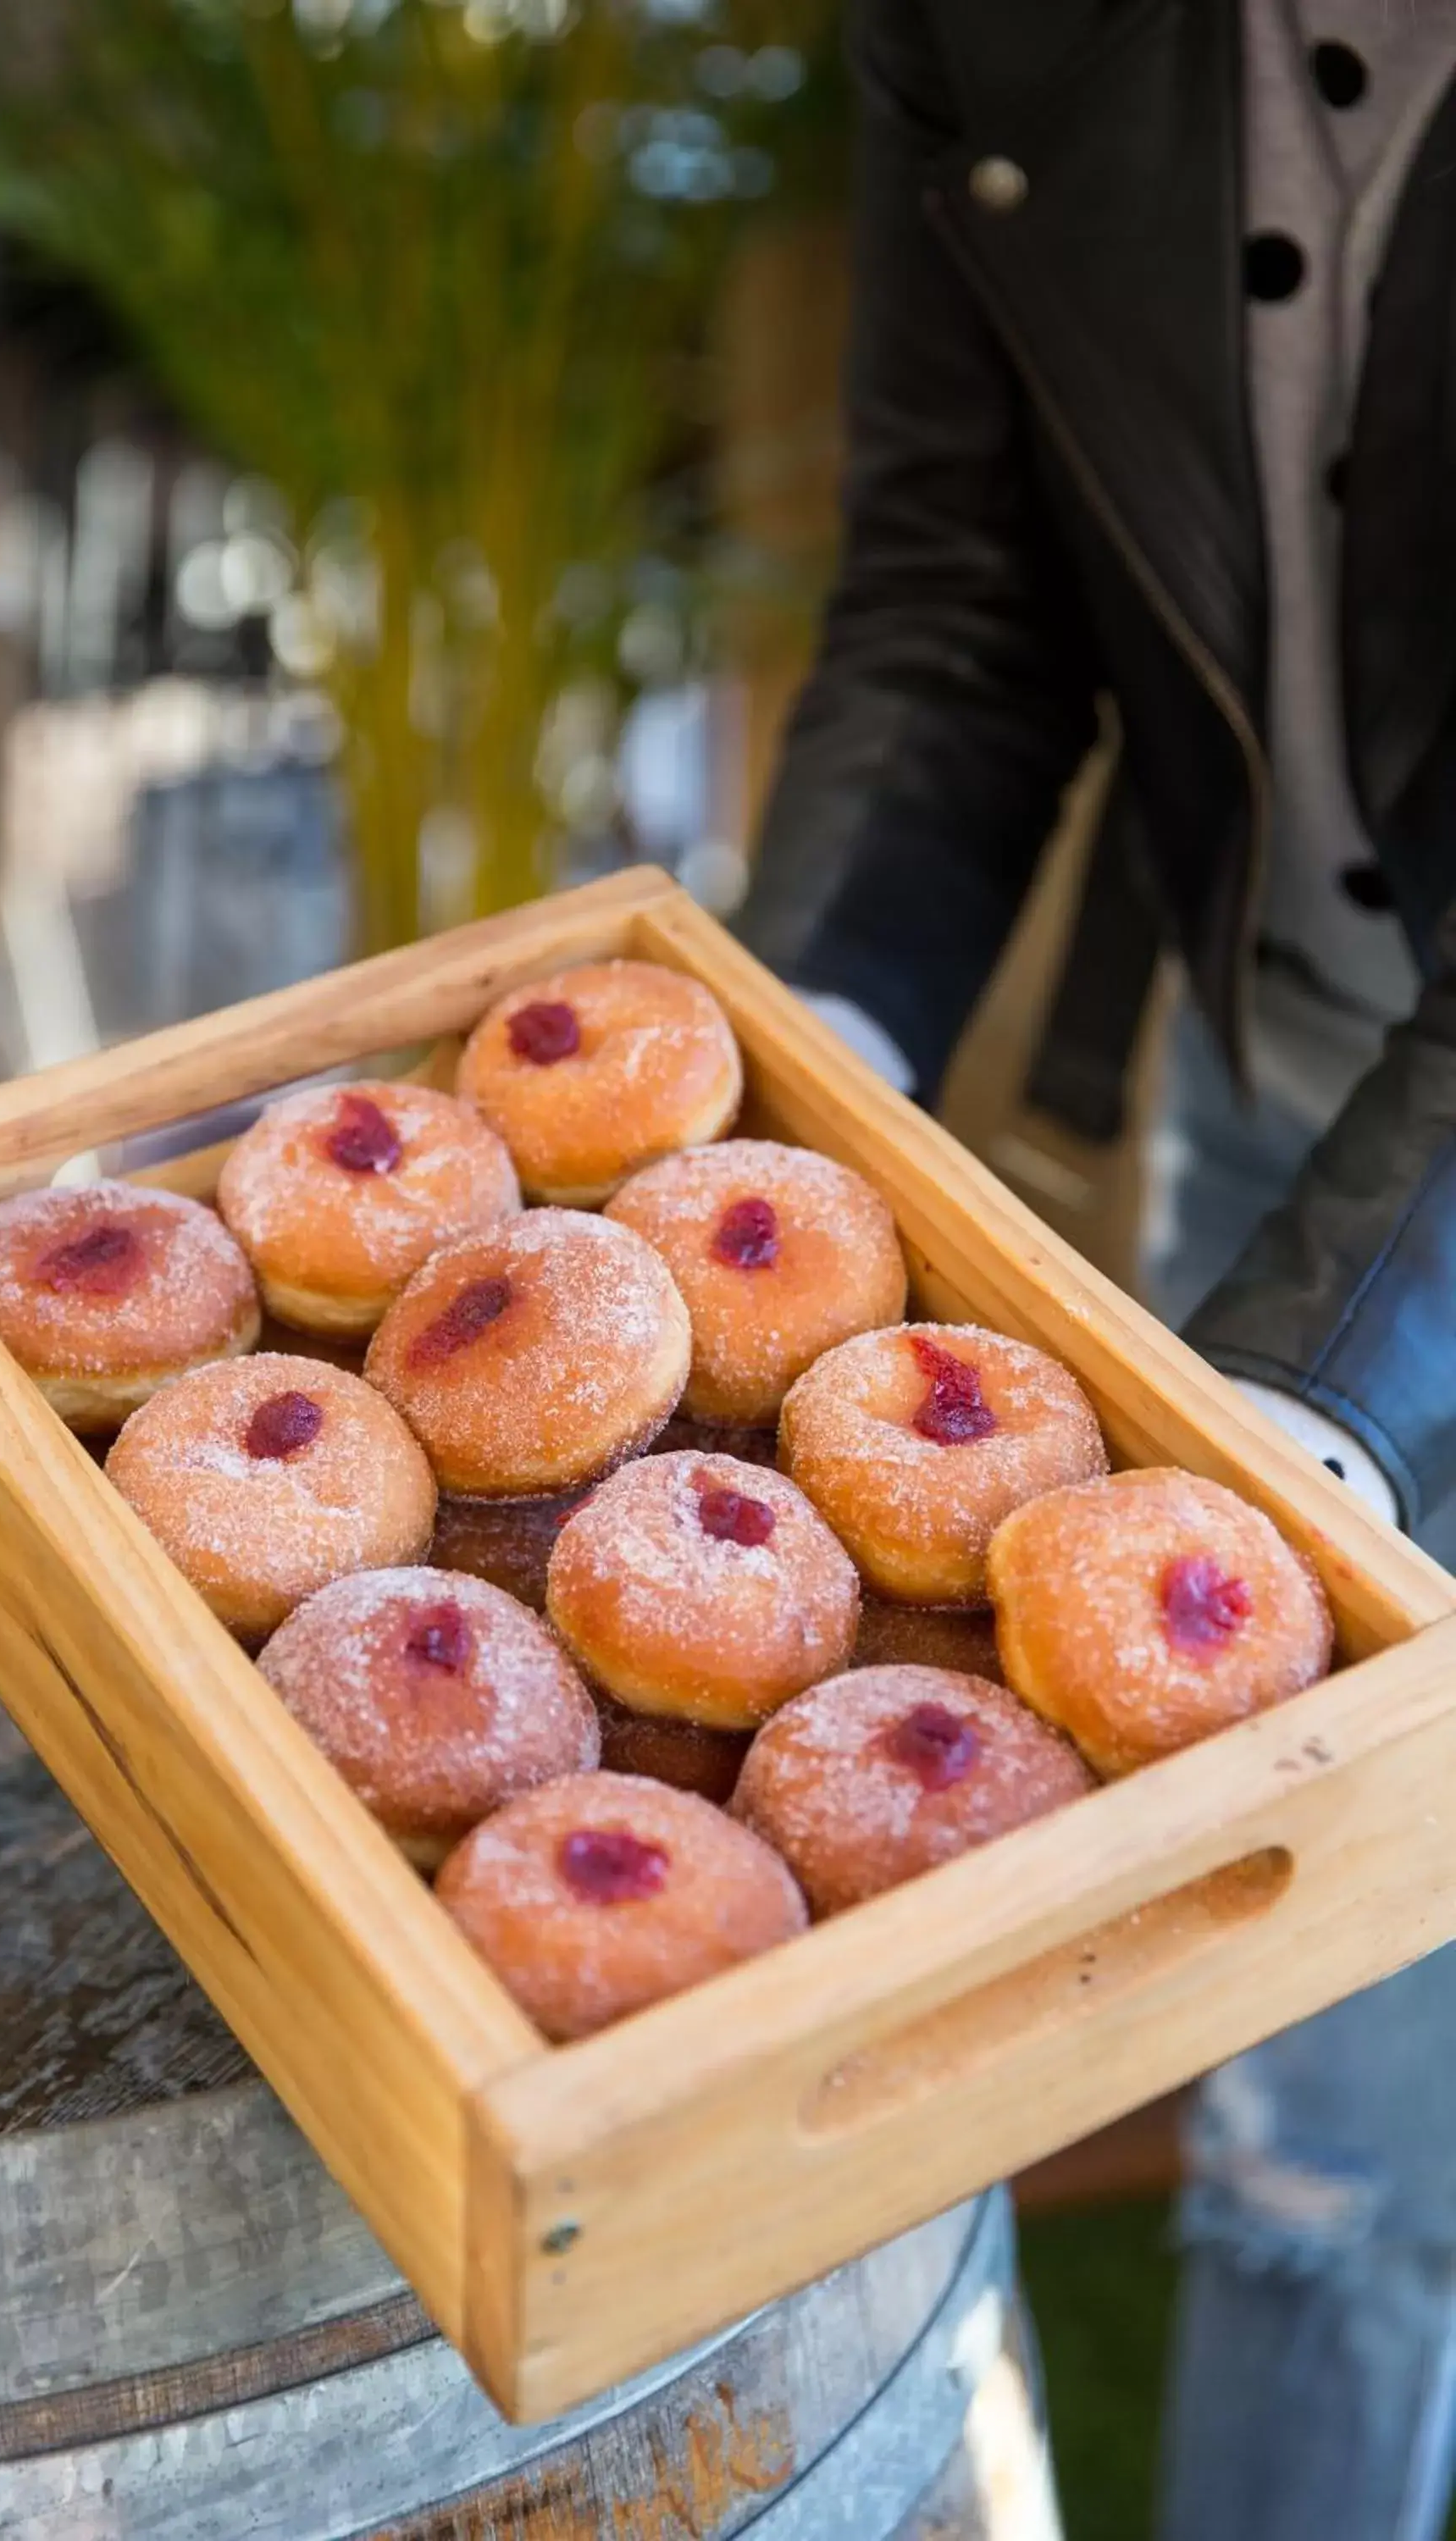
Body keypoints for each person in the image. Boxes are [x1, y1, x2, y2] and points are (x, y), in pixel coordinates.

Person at [738, 7, 1456, 2538]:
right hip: (1276, 1111)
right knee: (1315, 2112)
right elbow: (957, 602)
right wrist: (781, 1068)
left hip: (1376, 1267)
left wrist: (1331, 1395)